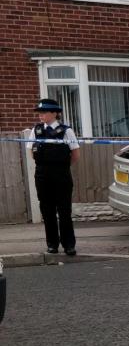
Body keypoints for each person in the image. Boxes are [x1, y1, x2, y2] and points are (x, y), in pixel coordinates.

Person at [28, 99, 80, 256]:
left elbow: (75, 154)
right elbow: (30, 150)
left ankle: (69, 245)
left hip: (61, 174)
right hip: (42, 174)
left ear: (54, 113)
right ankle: (52, 244)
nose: (41, 116)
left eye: (44, 112)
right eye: (40, 113)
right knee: (47, 210)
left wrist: (62, 167)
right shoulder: (36, 130)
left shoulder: (66, 131)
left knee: (64, 211)